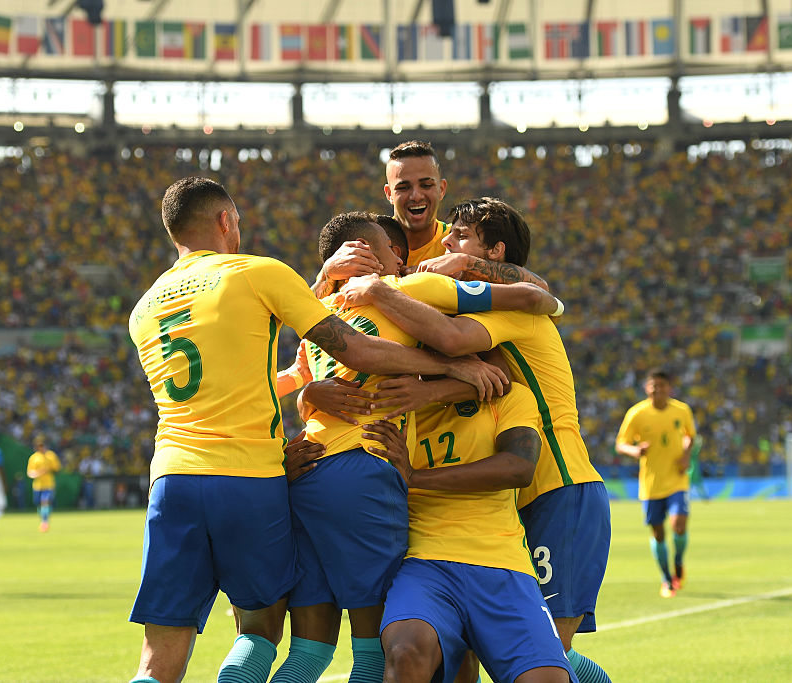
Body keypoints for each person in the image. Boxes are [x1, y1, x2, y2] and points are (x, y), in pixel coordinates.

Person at [126, 177, 507, 683]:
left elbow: (266, 359)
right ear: (225, 221)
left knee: (175, 657)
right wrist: (448, 365)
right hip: (274, 477)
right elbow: (352, 348)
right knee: (302, 636)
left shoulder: (144, 307)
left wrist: (307, 379)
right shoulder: (265, 274)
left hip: (184, 478)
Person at [272, 210, 559, 683]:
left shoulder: (318, 320)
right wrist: (451, 366)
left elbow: (289, 378)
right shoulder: (410, 297)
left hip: (306, 479)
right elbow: (535, 299)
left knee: (302, 650)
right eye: (393, 252)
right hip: (385, 506)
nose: (402, 262)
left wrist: (305, 397)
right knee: (378, 652)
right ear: (368, 254)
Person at [338, 197, 611, 683]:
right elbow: (489, 370)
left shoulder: (511, 314)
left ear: (494, 253)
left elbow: (454, 339)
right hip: (519, 503)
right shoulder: (501, 318)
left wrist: (381, 290)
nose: (445, 242)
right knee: (503, 651)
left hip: (557, 483)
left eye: (460, 237)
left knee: (552, 657)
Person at [371, 384, 577, 683]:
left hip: (503, 565)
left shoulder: (507, 396)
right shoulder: (400, 403)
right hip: (425, 563)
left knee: (548, 679)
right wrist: (307, 396)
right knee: (406, 653)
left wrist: (415, 476)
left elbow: (519, 467)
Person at [312, 140, 548, 298]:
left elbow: (539, 289)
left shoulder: (460, 244)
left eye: (426, 185)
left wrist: (464, 262)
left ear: (442, 189)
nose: (416, 195)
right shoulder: (365, 241)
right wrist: (326, 273)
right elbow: (309, 313)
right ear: (388, 194)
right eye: (403, 187)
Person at [616, 369, 697, 598]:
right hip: (651, 484)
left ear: (669, 388)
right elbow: (621, 443)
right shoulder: (637, 413)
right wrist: (635, 450)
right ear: (646, 388)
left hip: (677, 479)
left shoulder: (681, 410)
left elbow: (691, 435)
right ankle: (666, 577)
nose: (657, 389)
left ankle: (678, 562)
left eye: (661, 385)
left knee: (679, 524)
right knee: (658, 533)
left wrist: (686, 455)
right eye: (653, 385)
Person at [27, 434, 61, 533]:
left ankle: (45, 522)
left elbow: (57, 469)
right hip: (38, 486)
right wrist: (38, 473)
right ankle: (44, 518)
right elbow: (30, 472)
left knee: (45, 501)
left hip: (48, 484)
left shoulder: (51, 456)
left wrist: (49, 469)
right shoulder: (34, 458)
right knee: (39, 503)